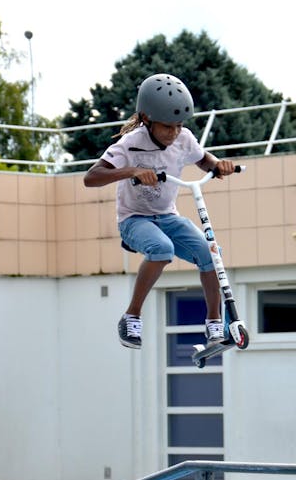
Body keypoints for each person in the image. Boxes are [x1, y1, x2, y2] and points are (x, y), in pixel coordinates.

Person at [84, 73, 236, 349]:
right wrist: (132, 171)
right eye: (167, 126)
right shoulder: (130, 143)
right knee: (161, 249)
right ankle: (131, 316)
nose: (173, 133)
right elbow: (91, 177)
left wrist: (217, 165)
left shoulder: (183, 139)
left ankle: (215, 324)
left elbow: (203, 159)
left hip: (168, 216)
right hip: (134, 219)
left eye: (178, 125)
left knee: (211, 254)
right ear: (146, 119)